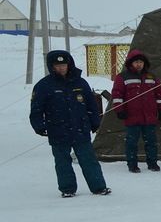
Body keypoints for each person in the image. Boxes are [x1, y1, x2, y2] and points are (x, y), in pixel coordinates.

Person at [29, 50, 111, 198]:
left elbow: (92, 105)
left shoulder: (80, 83)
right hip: (57, 129)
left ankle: (99, 187)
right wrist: (39, 126)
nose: (61, 68)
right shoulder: (44, 85)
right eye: (57, 65)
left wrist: (95, 122)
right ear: (52, 66)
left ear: (69, 65)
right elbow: (36, 109)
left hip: (80, 129)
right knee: (62, 162)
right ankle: (67, 189)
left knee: (89, 160)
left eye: (64, 65)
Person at [111, 50, 161, 172]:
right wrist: (119, 110)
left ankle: (152, 163)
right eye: (136, 62)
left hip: (149, 116)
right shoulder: (123, 77)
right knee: (131, 142)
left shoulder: (151, 77)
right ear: (131, 63)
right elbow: (117, 95)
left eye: (141, 62)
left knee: (151, 142)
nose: (139, 64)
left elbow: (160, 94)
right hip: (132, 116)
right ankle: (132, 164)